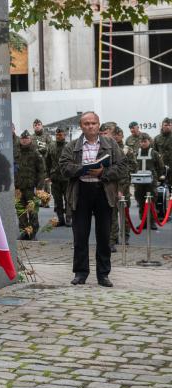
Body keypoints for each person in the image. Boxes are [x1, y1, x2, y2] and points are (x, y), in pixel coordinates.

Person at [59, 111, 125, 288]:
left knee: (104, 236)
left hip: (103, 192)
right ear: (81, 126)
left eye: (93, 123)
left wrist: (104, 172)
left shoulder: (110, 144)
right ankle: (80, 273)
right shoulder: (72, 146)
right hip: (81, 192)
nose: (90, 126)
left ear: (98, 125)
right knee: (80, 236)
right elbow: (64, 168)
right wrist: (82, 169)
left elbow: (123, 167)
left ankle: (103, 275)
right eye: (86, 123)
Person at [14, 130, 45, 240]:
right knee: (20, 211)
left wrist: (40, 188)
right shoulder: (15, 151)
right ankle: (25, 231)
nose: (24, 140)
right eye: (22, 139)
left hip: (31, 188)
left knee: (32, 211)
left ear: (30, 139)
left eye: (26, 139)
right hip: (18, 187)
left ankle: (33, 233)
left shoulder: (35, 152)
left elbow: (41, 171)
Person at [110, 126, 137, 249]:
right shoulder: (109, 148)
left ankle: (125, 237)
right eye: (114, 134)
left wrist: (124, 172)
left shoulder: (127, 150)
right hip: (111, 184)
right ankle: (112, 239)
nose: (116, 137)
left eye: (118, 135)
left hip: (124, 185)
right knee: (112, 213)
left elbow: (134, 166)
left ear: (121, 136)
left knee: (124, 213)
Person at [135, 133, 166, 231]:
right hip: (139, 182)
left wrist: (156, 178)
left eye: (145, 141)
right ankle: (143, 222)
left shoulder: (154, 153)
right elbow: (132, 165)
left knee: (151, 201)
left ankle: (152, 222)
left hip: (151, 182)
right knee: (141, 201)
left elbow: (161, 167)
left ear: (149, 141)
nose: (143, 143)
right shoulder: (137, 152)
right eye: (141, 141)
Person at [45, 127, 70, 226]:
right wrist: (47, 175)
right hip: (55, 177)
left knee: (68, 199)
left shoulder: (69, 146)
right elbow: (47, 162)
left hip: (67, 177)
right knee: (57, 200)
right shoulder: (51, 146)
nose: (59, 136)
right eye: (57, 135)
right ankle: (60, 219)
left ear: (64, 135)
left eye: (60, 134)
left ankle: (69, 219)